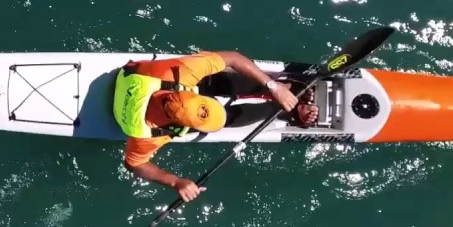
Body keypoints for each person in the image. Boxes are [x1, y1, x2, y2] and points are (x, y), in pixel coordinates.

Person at [113, 51, 318, 202]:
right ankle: (277, 108)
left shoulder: (181, 72)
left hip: (146, 80)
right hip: (141, 95)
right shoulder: (147, 135)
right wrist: (175, 182)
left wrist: (272, 86)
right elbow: (134, 164)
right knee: (226, 118)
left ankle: (282, 88)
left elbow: (233, 59)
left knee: (217, 79)